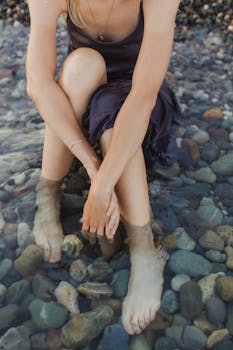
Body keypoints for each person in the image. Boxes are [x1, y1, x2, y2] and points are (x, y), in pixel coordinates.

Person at [26, 0, 182, 335]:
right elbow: (38, 83)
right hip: (83, 99)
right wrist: (93, 167)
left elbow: (143, 95)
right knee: (81, 64)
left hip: (141, 106)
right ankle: (48, 190)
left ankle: (144, 249)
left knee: (112, 116)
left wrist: (100, 188)